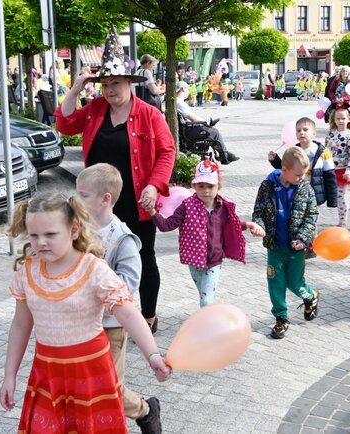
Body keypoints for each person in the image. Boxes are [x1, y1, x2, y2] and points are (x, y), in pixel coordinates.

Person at [0, 193, 171, 433]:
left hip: (90, 372)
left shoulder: (93, 269)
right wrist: (10, 375)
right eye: (34, 235)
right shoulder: (28, 272)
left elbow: (128, 314)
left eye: (50, 234)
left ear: (73, 230)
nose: (41, 242)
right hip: (48, 373)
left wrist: (152, 355)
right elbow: (20, 324)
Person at [55, 26, 175, 334]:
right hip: (96, 203)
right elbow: (65, 124)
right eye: (105, 85)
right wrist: (75, 89)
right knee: (95, 255)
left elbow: (167, 151)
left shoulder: (149, 113)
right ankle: (103, 311)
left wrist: (154, 186)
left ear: (129, 83)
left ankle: (147, 316)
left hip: (136, 201)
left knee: (142, 257)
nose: (110, 90)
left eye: (116, 83)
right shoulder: (95, 109)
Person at [75, 164, 163, 433]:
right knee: (86, 385)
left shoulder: (122, 239)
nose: (76, 199)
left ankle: (145, 411)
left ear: (105, 199)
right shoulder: (76, 227)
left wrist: (96, 275)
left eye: (83, 195)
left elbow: (129, 285)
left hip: (111, 325)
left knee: (108, 386)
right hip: (80, 322)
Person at [146, 160, 264, 306]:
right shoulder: (186, 206)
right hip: (194, 261)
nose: (206, 190)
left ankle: (209, 319)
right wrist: (153, 212)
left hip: (214, 261)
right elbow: (167, 225)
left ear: (218, 186)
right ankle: (211, 313)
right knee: (204, 295)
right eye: (201, 186)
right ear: (194, 186)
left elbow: (232, 225)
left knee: (206, 300)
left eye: (210, 186)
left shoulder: (223, 207)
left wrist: (249, 224)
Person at [252, 147, 319, 339]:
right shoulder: (268, 186)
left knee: (295, 283)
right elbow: (258, 211)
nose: (302, 178)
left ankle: (310, 296)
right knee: (275, 282)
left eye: (304, 174)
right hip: (275, 247)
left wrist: (303, 238)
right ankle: (281, 317)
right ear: (284, 169)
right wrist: (259, 226)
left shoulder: (305, 188)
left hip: (296, 248)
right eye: (298, 174)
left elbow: (312, 215)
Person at [268, 117, 338, 209]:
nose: (301, 132)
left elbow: (330, 177)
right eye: (298, 130)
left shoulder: (324, 153)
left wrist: (332, 200)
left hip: (314, 195)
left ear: (314, 133)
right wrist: (275, 160)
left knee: (311, 215)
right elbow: (285, 169)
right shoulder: (293, 152)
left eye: (305, 130)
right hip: (296, 193)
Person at [176, 81, 240, 164]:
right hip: (186, 132)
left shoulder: (176, 102)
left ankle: (224, 154)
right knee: (214, 132)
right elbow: (193, 118)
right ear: (183, 89)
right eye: (188, 89)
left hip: (183, 130)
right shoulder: (180, 103)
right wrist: (206, 123)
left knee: (211, 130)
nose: (189, 92)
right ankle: (225, 156)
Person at [325, 108, 350, 228]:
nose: (340, 121)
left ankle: (342, 222)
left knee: (340, 197)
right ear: (334, 119)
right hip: (330, 169)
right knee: (333, 196)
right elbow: (326, 150)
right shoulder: (331, 134)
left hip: (343, 171)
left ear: (349, 119)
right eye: (338, 118)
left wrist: (349, 170)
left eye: (343, 118)